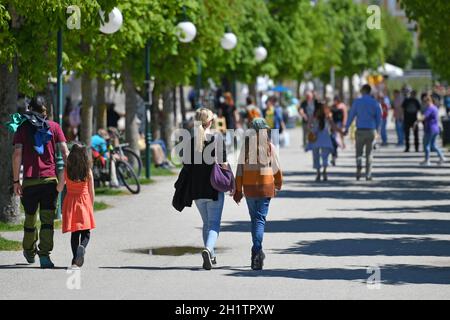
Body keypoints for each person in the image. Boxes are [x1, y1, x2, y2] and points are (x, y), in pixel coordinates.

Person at [12, 95, 69, 268]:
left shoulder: (22, 127)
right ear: (46, 110)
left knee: (30, 219)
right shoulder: (55, 127)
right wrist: (65, 178)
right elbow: (66, 153)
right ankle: (44, 256)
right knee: (47, 220)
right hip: (50, 180)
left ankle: (29, 252)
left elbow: (17, 155)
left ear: (30, 109)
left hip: (29, 181)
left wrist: (16, 181)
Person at [234, 118, 282, 270]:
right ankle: (256, 250)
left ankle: (257, 252)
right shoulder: (269, 147)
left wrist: (237, 189)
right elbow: (276, 168)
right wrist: (278, 183)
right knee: (260, 220)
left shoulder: (246, 148)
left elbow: (239, 170)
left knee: (254, 219)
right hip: (265, 188)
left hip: (249, 189)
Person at [182, 108, 227, 270]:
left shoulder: (191, 140)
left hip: (196, 189)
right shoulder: (217, 138)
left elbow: (186, 164)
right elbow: (223, 163)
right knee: (214, 223)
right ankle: (208, 249)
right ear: (210, 122)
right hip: (214, 188)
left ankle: (211, 255)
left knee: (206, 223)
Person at [57, 143, 95, 268]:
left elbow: (60, 188)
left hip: (71, 202)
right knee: (86, 232)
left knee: (75, 233)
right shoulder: (87, 171)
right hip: (84, 202)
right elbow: (91, 191)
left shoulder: (66, 170)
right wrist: (91, 205)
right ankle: (82, 247)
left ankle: (75, 260)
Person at [344, 85, 382, 181]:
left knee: (359, 153)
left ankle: (358, 169)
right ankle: (368, 175)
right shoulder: (375, 103)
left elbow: (351, 115)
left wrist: (346, 127)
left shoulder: (357, 102)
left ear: (363, 91)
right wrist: (378, 131)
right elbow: (379, 118)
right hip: (371, 130)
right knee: (369, 154)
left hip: (360, 130)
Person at [307, 102, 341, 181]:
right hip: (325, 137)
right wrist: (341, 132)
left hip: (315, 137)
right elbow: (334, 127)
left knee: (316, 156)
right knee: (325, 156)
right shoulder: (328, 116)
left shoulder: (314, 116)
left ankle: (318, 173)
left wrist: (312, 129)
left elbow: (308, 126)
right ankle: (324, 172)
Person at [415, 93, 447, 166]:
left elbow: (424, 116)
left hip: (430, 129)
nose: (424, 103)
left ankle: (427, 160)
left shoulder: (430, 108)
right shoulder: (435, 108)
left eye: (425, 102)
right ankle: (442, 157)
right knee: (433, 145)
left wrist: (417, 121)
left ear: (429, 101)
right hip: (436, 129)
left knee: (426, 145)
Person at [330, 95, 348, 164]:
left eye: (336, 100)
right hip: (333, 124)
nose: (335, 102)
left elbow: (345, 115)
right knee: (334, 139)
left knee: (338, 138)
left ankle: (337, 150)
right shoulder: (332, 106)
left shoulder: (342, 106)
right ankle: (334, 154)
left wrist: (344, 123)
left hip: (340, 124)